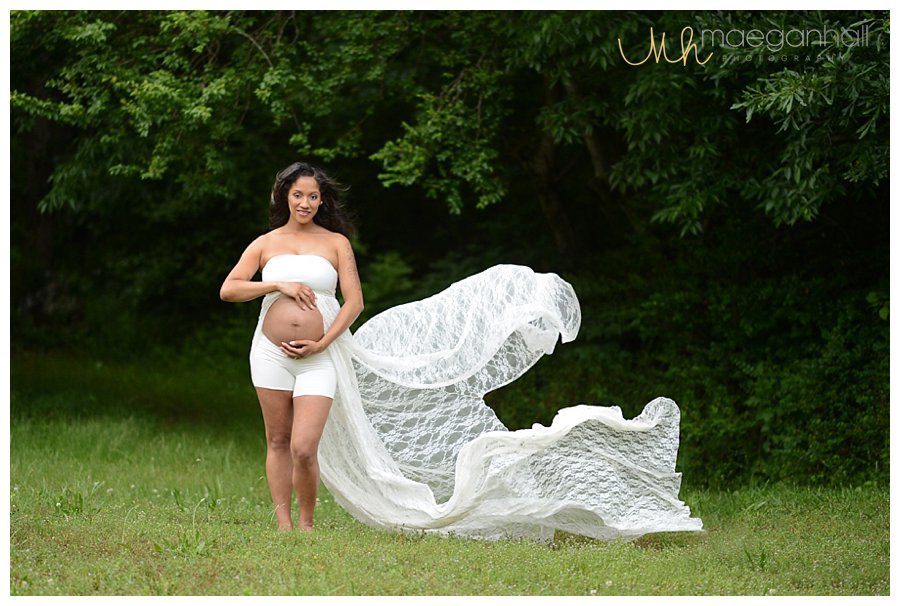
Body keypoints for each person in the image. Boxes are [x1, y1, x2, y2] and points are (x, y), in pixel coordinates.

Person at [221, 161, 704, 543]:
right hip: (271, 353)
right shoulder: (266, 244)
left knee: (306, 445)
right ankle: (284, 525)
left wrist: (325, 340)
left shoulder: (335, 243)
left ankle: (307, 521)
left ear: (321, 200)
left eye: (313, 195)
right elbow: (230, 289)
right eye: (297, 194)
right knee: (278, 440)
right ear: (284, 196)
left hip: (322, 354)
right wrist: (279, 282)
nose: (305, 202)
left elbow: (355, 302)